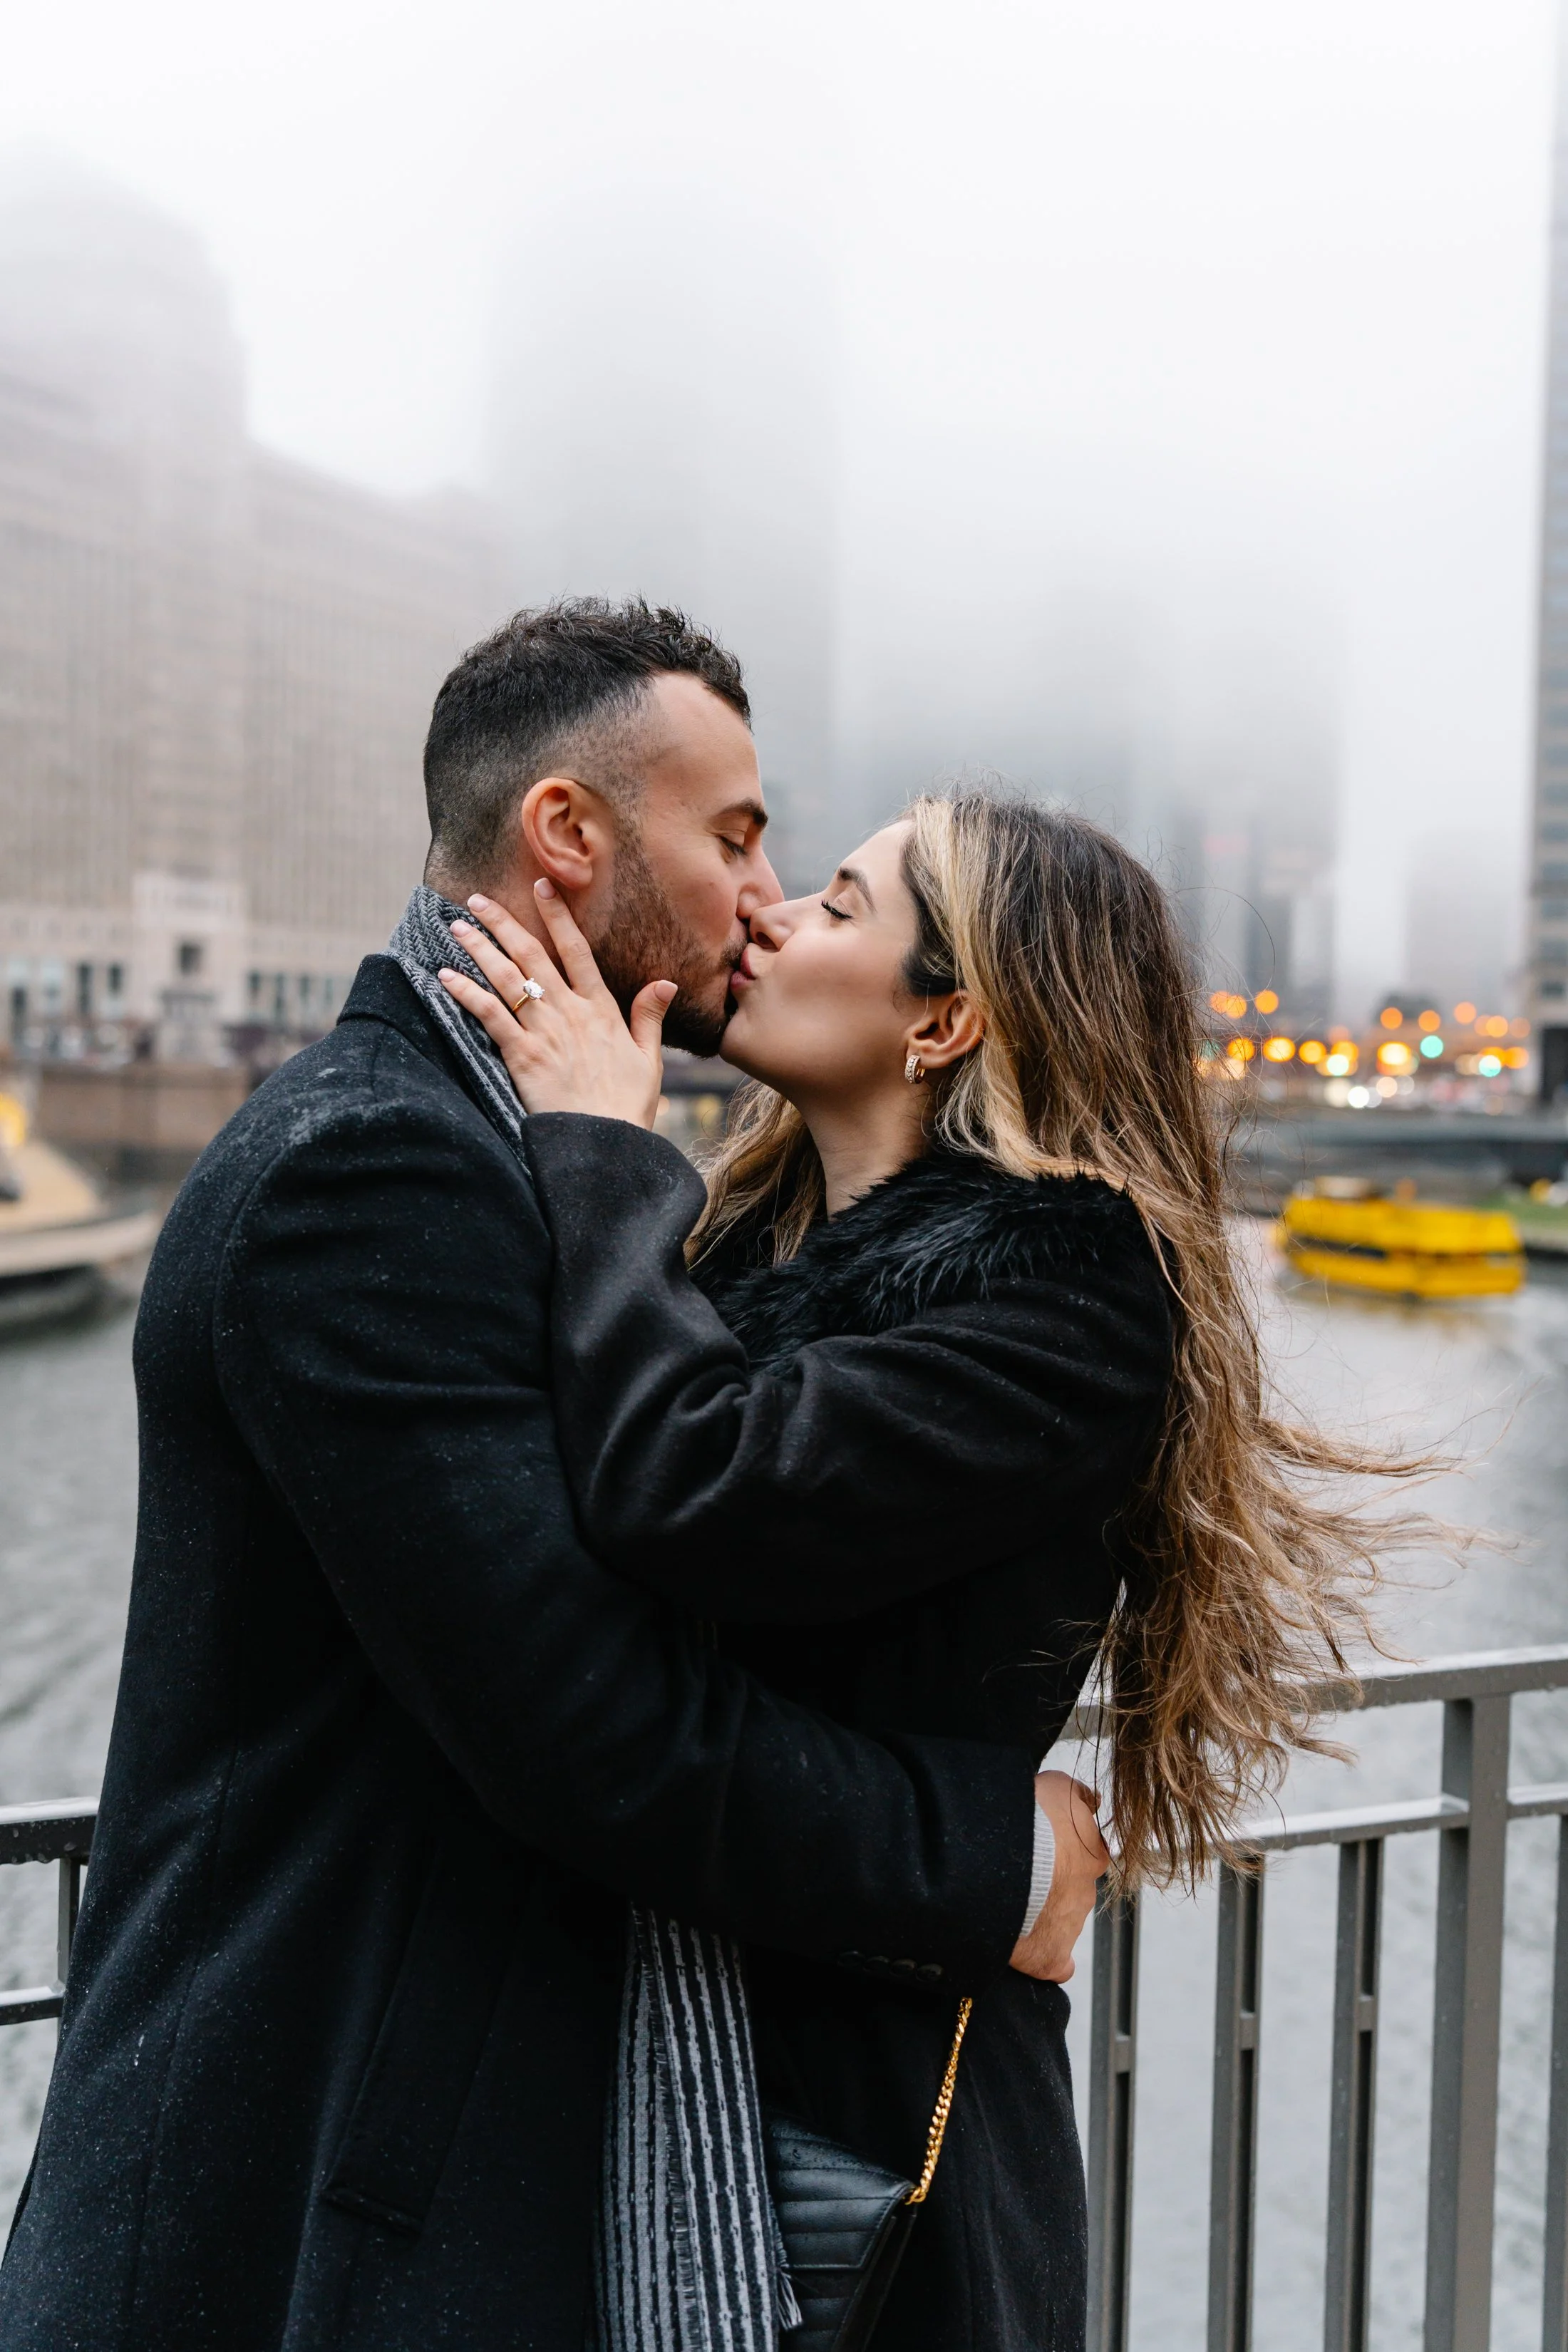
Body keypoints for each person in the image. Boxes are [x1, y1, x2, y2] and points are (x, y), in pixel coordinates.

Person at [0, 604, 1102, 2352]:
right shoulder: (374, 1165)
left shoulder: (507, 1158)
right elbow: (596, 1721)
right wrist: (990, 1865)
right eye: (734, 838)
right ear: (570, 839)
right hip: (301, 2161)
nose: (759, 894)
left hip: (432, 2128)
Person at [440, 787, 1403, 2352]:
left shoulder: (1066, 1295)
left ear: (942, 1018)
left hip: (861, 2130)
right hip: (648, 2040)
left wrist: (597, 1156)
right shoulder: (748, 1253)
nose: (768, 919)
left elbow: (700, 1493)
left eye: (831, 904)